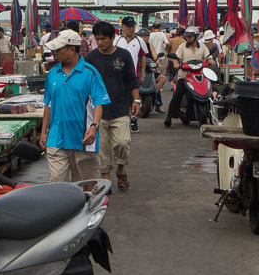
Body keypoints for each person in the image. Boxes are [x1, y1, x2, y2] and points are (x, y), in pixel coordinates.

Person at [39, 30, 110, 182]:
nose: (55, 52)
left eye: (58, 49)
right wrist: (44, 132)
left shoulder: (90, 73)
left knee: (86, 186)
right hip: (57, 138)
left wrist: (94, 127)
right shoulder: (53, 73)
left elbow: (98, 103)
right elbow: (48, 104)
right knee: (57, 183)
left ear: (72, 49)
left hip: (83, 139)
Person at [85, 22, 140, 191]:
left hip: (120, 108)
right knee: (102, 149)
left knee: (122, 143)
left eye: (103, 39)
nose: (100, 42)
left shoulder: (123, 55)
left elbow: (132, 78)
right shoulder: (90, 58)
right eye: (97, 39)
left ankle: (121, 168)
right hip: (97, 112)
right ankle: (105, 180)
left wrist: (136, 100)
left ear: (112, 38)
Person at [164, 26, 213, 127]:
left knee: (210, 92)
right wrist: (177, 64)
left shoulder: (202, 47)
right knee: (178, 94)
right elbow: (176, 58)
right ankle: (169, 117)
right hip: (185, 76)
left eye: (190, 37)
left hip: (199, 75)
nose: (188, 38)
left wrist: (210, 61)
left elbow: (208, 57)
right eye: (187, 36)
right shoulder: (182, 47)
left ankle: (213, 115)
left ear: (195, 36)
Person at [137, 28, 168, 113]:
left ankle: (156, 100)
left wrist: (157, 62)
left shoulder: (150, 46)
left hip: (149, 70)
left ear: (148, 37)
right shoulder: (135, 45)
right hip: (137, 71)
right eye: (141, 36)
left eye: (145, 37)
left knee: (162, 78)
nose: (143, 38)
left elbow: (155, 56)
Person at [114, 17, 148, 85]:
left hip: (133, 77)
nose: (131, 29)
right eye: (129, 26)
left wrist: (143, 75)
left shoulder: (140, 41)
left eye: (133, 26)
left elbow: (142, 58)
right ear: (123, 27)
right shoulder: (116, 41)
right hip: (118, 77)